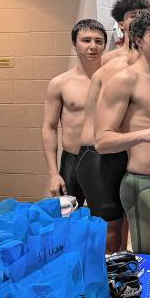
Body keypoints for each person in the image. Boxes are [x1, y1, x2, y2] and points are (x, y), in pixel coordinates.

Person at [95, 10, 150, 255]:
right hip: (142, 181)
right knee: (147, 254)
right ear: (139, 39)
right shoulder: (125, 80)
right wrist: (144, 134)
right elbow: (102, 140)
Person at [77, 0, 143, 253]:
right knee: (110, 232)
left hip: (122, 152)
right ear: (121, 23)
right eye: (133, 16)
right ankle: (102, 286)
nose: (139, 21)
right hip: (98, 153)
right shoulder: (114, 63)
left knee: (124, 227)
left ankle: (118, 282)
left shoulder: (145, 64)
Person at [42, 19, 107, 207]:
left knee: (107, 222)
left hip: (104, 159)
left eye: (98, 41)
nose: (93, 46)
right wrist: (53, 173)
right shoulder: (60, 83)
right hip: (72, 160)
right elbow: (49, 127)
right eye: (86, 40)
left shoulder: (113, 81)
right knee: (67, 218)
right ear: (74, 44)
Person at [102, 0, 150, 64]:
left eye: (143, 15)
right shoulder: (108, 59)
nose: (140, 19)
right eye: (134, 16)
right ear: (121, 24)